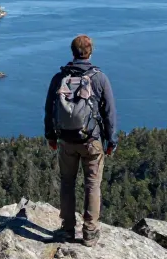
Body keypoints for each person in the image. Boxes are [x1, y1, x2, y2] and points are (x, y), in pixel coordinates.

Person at [44, 34, 117, 246]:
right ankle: (89, 232)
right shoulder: (99, 78)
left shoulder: (59, 78)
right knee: (92, 184)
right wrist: (111, 141)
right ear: (90, 52)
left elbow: (49, 109)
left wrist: (51, 136)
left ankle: (67, 230)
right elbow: (110, 113)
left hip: (66, 140)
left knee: (67, 183)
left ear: (72, 52)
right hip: (91, 140)